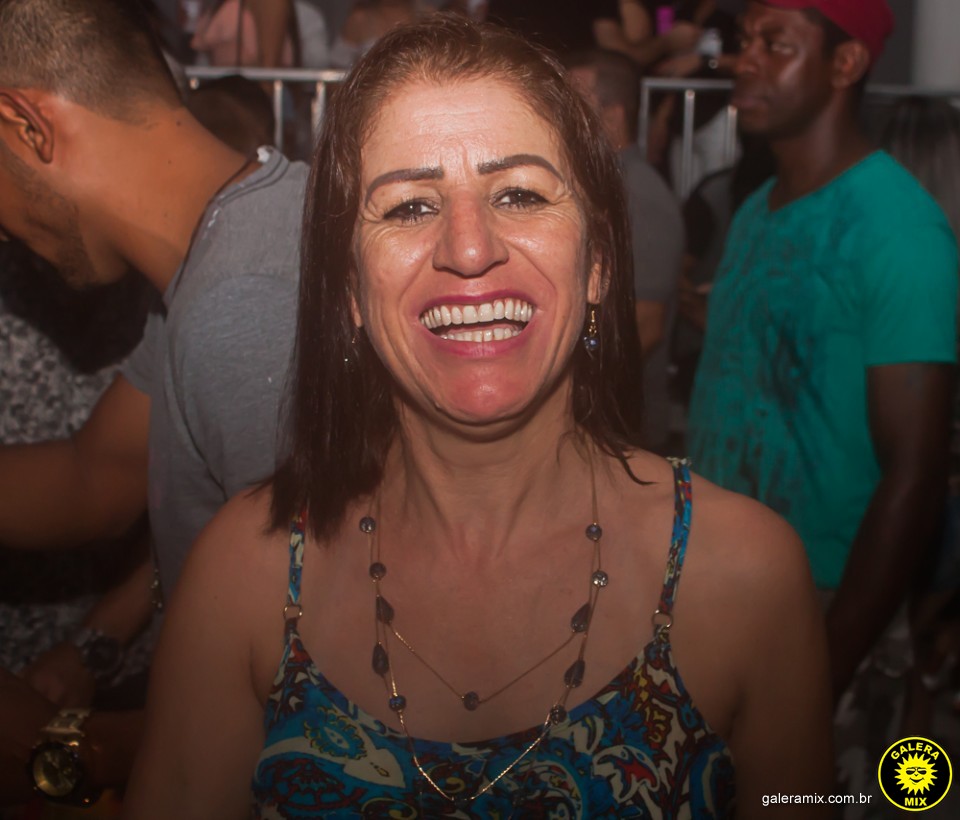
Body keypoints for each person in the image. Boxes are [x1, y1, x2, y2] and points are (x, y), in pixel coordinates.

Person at [127, 15, 832, 818]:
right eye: (407, 207)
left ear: (598, 264)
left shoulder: (746, 580)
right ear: (349, 289)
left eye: (519, 194)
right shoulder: (244, 578)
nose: (468, 248)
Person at [0, 0, 306, 805]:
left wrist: (72, 747)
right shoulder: (225, 250)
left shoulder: (248, 307)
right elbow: (95, 479)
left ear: (26, 125)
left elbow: (318, 697)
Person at [687, 0, 958, 810]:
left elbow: (915, 474)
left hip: (831, 604)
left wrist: (825, 668)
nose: (744, 61)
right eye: (745, 41)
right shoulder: (756, 211)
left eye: (777, 44)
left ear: (846, 65)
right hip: (724, 589)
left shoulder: (898, 228)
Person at [565, 48, 685, 453]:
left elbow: (644, 327)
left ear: (613, 118)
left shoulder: (638, 196)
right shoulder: (598, 188)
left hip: (624, 437)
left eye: (574, 105)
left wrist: (568, 392)